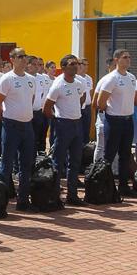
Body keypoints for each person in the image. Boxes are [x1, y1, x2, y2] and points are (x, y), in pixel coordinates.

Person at [0, 48, 38, 211]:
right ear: (12, 59)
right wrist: (7, 120)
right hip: (11, 126)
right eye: (20, 56)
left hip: (27, 126)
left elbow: (30, 100)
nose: (24, 59)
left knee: (26, 165)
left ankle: (23, 201)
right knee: (6, 164)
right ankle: (0, 202)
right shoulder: (7, 79)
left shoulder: (31, 80)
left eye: (25, 56)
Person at [44, 54, 89, 205]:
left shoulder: (79, 83)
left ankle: (72, 195)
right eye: (71, 64)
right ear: (63, 67)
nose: (75, 66)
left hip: (77, 124)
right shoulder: (58, 85)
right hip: (63, 125)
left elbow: (82, 97)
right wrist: (57, 120)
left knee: (75, 161)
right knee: (58, 161)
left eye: (76, 63)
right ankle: (55, 195)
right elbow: (47, 107)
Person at [96, 50, 137, 195]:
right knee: (109, 154)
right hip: (114, 121)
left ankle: (123, 186)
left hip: (128, 120)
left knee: (125, 154)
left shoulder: (132, 77)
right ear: (116, 60)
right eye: (125, 57)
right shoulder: (111, 78)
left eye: (129, 57)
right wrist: (111, 110)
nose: (128, 60)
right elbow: (100, 102)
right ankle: (106, 186)